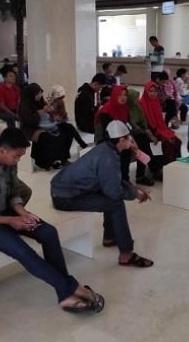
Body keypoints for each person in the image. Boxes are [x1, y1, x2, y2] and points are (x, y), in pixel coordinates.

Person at [0, 128, 105, 313]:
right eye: (17, 156)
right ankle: (73, 289)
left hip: (5, 213)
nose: (18, 160)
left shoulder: (9, 164)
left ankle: (64, 294)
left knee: (48, 232)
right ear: (2, 150)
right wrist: (10, 220)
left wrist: (22, 212)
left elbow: (14, 194)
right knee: (23, 251)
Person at [51, 120, 154, 268]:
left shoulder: (106, 148)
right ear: (121, 140)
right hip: (64, 196)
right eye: (129, 137)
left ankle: (109, 237)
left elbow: (113, 180)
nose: (132, 140)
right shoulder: (108, 158)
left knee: (110, 198)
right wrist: (135, 193)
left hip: (65, 188)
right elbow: (114, 192)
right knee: (116, 204)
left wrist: (133, 189)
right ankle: (126, 254)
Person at [95, 85, 156, 186]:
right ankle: (123, 179)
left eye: (125, 95)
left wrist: (140, 135)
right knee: (125, 149)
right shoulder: (106, 111)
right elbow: (110, 132)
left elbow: (129, 125)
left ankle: (141, 175)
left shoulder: (124, 108)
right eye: (120, 95)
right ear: (114, 95)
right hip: (106, 139)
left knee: (143, 141)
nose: (123, 97)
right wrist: (129, 141)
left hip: (122, 136)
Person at [19, 83, 74, 169]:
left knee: (68, 129)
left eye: (40, 93)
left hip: (47, 125)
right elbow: (30, 121)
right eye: (37, 94)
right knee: (48, 137)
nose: (40, 95)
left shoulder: (40, 101)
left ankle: (63, 158)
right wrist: (42, 112)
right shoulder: (25, 104)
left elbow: (50, 111)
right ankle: (49, 161)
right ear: (32, 94)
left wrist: (53, 113)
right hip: (32, 129)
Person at [139, 81, 183, 166]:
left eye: (155, 91)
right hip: (148, 130)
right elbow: (142, 122)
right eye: (150, 91)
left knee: (177, 141)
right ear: (146, 91)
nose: (153, 93)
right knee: (165, 143)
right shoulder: (141, 103)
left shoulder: (156, 102)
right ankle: (159, 167)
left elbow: (160, 121)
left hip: (159, 128)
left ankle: (175, 164)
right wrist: (152, 134)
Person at [126, 88, 164, 181]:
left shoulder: (137, 107)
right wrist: (144, 132)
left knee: (155, 142)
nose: (137, 100)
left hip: (140, 130)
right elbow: (131, 125)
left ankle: (157, 168)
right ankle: (141, 175)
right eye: (135, 98)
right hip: (131, 133)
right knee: (144, 148)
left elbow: (143, 120)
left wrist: (149, 133)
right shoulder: (126, 109)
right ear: (130, 98)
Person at [48, 85, 88, 150]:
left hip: (61, 123)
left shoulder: (59, 102)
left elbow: (62, 114)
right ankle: (83, 145)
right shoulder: (53, 104)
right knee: (71, 129)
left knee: (71, 130)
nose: (61, 99)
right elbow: (54, 116)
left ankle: (83, 145)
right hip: (56, 125)